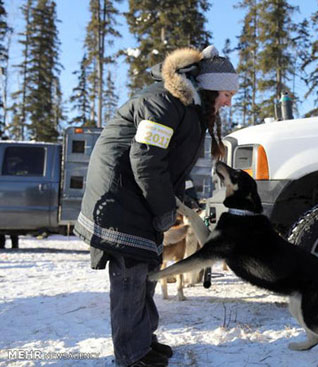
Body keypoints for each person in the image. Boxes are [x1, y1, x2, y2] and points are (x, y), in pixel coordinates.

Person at [74, 45, 238, 367]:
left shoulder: (185, 109)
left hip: (134, 197)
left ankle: (143, 342)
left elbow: (166, 164)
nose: (229, 101)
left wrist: (182, 198)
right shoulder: (163, 103)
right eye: (226, 93)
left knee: (148, 270)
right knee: (131, 276)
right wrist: (164, 208)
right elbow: (146, 161)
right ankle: (131, 355)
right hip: (119, 199)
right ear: (207, 88)